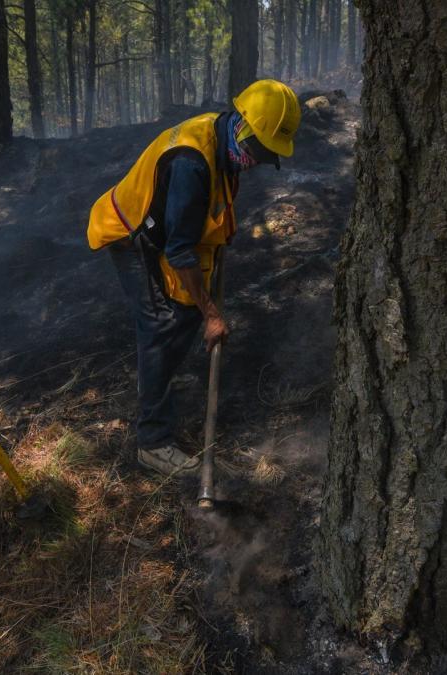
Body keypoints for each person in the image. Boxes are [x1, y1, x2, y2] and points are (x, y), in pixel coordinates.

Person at [86, 79, 301, 476]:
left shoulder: (221, 137)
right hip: (129, 234)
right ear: (243, 128)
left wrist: (202, 306)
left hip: (166, 233)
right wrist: (212, 313)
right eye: (260, 151)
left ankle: (160, 391)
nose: (259, 160)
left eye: (269, 155)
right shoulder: (191, 164)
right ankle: (152, 442)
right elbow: (179, 250)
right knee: (162, 325)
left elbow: (196, 228)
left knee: (183, 314)